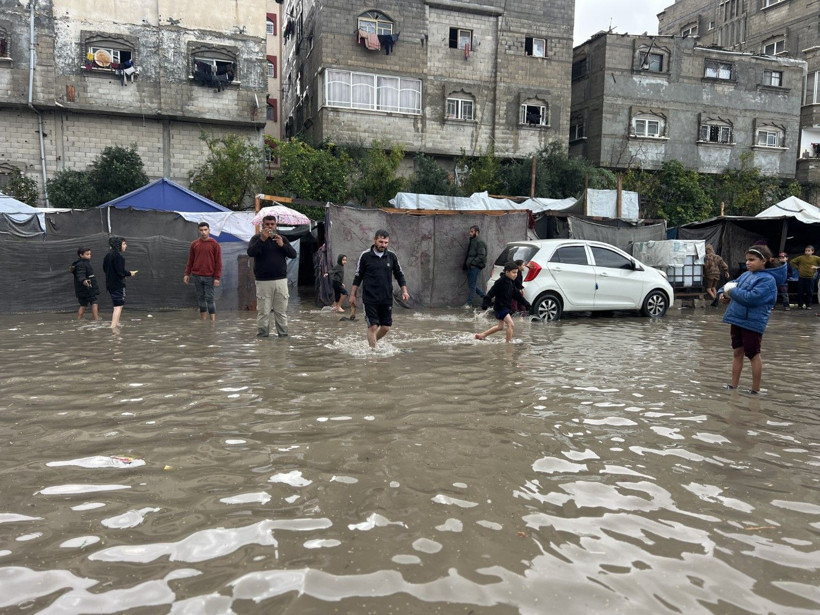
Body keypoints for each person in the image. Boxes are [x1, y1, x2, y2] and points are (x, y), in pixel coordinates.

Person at [717, 245, 780, 394]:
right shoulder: (746, 275)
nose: (748, 263)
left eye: (752, 260)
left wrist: (730, 292)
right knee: (737, 352)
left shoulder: (768, 280)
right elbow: (728, 285)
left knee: (753, 354)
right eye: (747, 260)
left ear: (763, 261)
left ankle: (755, 389)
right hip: (737, 319)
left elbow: (751, 298)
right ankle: (733, 386)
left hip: (752, 323)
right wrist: (722, 295)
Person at [349, 229, 409, 349]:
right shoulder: (365, 256)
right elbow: (358, 276)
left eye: (386, 242)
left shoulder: (392, 256)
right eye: (381, 242)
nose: (383, 245)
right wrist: (352, 295)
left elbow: (399, 274)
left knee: (386, 327)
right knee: (373, 327)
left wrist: (404, 291)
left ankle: (372, 342)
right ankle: (373, 353)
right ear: (375, 240)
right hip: (370, 298)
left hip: (386, 297)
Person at [247, 215, 297, 337]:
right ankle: (263, 339)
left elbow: (293, 254)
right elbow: (251, 252)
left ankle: (283, 337)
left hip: (281, 281)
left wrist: (282, 245)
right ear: (262, 225)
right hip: (263, 281)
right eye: (267, 224)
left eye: (272, 224)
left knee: (281, 312)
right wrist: (262, 240)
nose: (270, 226)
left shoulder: (282, 238)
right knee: (263, 311)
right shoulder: (256, 238)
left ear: (276, 225)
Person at [476, 261, 531, 343]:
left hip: (505, 307)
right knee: (511, 324)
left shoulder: (511, 282)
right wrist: (485, 304)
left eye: (516, 272)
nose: (516, 274)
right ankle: (508, 344)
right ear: (507, 272)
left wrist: (526, 304)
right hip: (500, 307)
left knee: (500, 327)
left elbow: (517, 295)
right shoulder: (500, 282)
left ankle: (482, 335)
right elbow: (490, 293)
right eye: (513, 272)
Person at [184, 222, 222, 321]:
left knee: (210, 299)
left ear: (209, 230)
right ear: (198, 231)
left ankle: (213, 321)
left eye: (205, 230)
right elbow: (190, 260)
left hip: (210, 276)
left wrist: (217, 278)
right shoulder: (194, 244)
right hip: (197, 275)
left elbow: (218, 262)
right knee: (201, 299)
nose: (203, 232)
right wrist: (186, 274)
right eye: (201, 230)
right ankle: (203, 321)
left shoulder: (214, 244)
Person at [103, 236, 137, 329]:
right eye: (124, 244)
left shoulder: (107, 256)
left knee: (119, 304)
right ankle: (113, 327)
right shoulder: (118, 256)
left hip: (110, 284)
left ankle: (116, 324)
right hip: (117, 284)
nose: (126, 246)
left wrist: (123, 274)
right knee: (118, 306)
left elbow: (105, 269)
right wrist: (130, 273)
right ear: (118, 245)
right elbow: (120, 271)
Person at [70, 247, 100, 320]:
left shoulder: (82, 263)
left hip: (82, 288)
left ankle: (79, 320)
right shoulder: (81, 264)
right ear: (81, 255)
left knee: (83, 304)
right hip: (87, 288)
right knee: (94, 302)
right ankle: (96, 319)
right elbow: (80, 274)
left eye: (90, 254)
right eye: (87, 254)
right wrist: (84, 281)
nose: (89, 255)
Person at [463, 225, 487, 308]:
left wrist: (473, 263)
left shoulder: (479, 242)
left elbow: (481, 255)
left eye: (472, 232)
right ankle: (485, 297)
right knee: (471, 285)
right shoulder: (473, 241)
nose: (470, 233)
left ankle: (469, 304)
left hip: (475, 267)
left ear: (477, 232)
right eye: (470, 231)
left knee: (472, 285)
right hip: (471, 266)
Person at [789, 245, 820, 309]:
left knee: (809, 292)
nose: (807, 252)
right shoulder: (801, 258)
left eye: (809, 251)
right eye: (806, 251)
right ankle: (800, 305)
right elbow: (792, 262)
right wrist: (798, 268)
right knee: (800, 291)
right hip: (802, 277)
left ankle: (808, 305)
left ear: (812, 251)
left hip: (810, 277)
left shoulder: (816, 258)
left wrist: (816, 267)